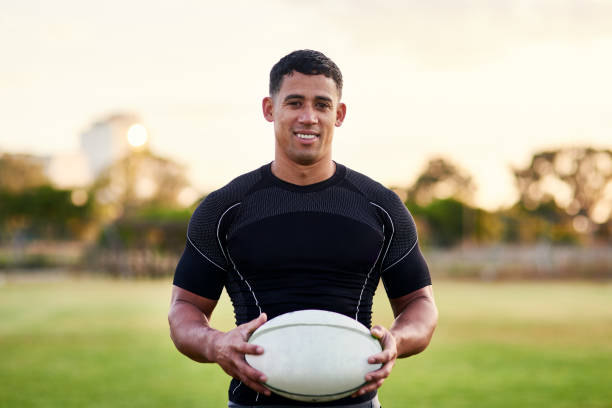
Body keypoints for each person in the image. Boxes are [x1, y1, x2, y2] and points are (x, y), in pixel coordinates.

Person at [168, 49, 438, 408]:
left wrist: (398, 340)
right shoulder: (224, 208)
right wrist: (215, 343)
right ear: (269, 109)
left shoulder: (381, 207)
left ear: (339, 114)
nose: (308, 117)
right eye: (294, 103)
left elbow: (420, 304)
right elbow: (184, 308)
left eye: (322, 105)